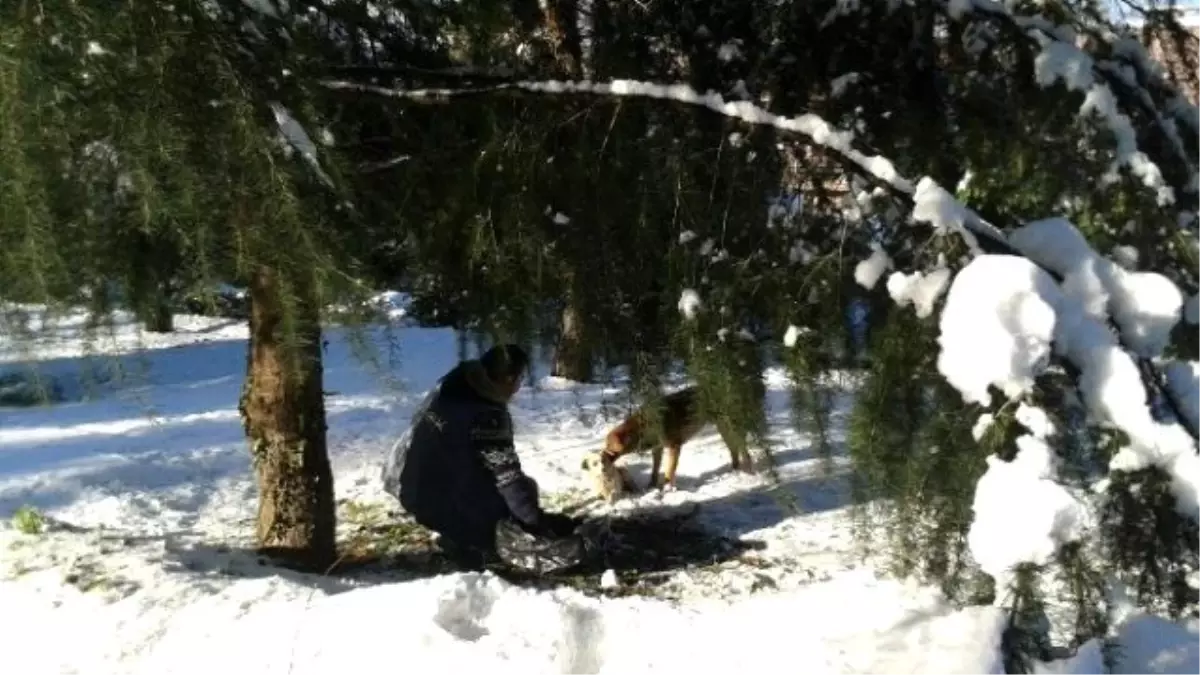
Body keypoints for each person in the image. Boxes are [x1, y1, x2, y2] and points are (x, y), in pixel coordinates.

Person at [381, 344, 586, 574]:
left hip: (407, 485)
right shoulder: (487, 416)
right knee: (518, 495)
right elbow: (508, 478)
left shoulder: (452, 385)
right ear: (509, 378)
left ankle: (459, 532)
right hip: (438, 501)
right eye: (519, 380)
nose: (518, 388)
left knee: (485, 483)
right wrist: (534, 524)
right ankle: (473, 546)